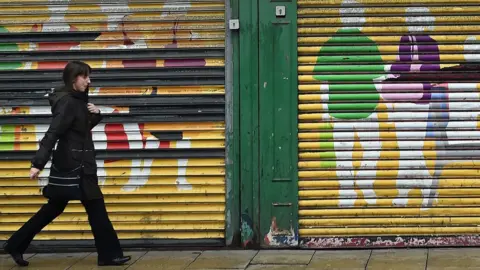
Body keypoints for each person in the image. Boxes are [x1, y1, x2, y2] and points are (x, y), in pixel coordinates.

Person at [2, 61, 131, 267]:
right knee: (96, 209)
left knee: (54, 209)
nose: (89, 81)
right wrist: (38, 163)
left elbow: (79, 128)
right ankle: (109, 254)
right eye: (85, 77)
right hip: (75, 166)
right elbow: (54, 132)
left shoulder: (78, 100)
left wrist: (96, 114)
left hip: (77, 162)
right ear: (73, 79)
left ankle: (15, 244)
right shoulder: (69, 102)